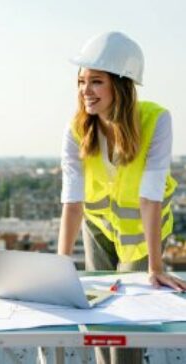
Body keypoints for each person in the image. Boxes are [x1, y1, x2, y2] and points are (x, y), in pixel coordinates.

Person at [57, 31, 186, 364]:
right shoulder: (76, 129)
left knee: (129, 322)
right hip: (97, 227)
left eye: (96, 81)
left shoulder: (156, 120)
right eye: (81, 81)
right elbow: (72, 202)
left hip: (142, 234)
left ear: (121, 84)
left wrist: (156, 267)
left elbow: (150, 197)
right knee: (97, 314)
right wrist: (58, 268)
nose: (85, 90)